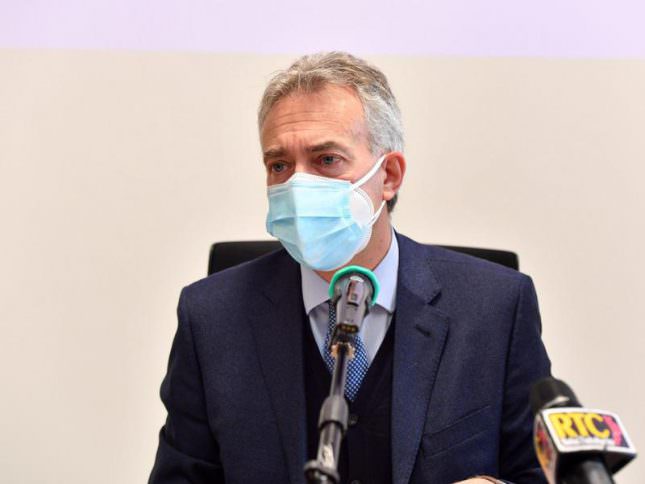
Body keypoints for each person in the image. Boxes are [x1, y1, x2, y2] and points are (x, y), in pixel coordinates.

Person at [149, 52, 551, 484]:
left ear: (389, 175)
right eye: (279, 165)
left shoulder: (495, 308)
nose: (297, 185)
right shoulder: (212, 318)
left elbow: (541, 472)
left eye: (326, 160)